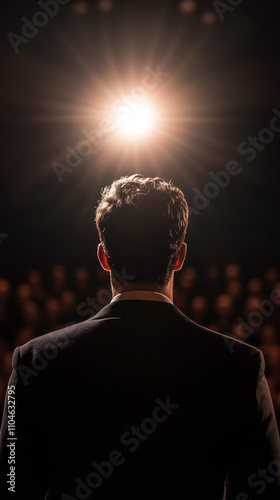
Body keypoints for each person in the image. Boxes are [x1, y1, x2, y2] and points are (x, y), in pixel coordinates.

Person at [0, 174, 280, 500]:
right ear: (179, 257)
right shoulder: (239, 367)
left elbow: (12, 488)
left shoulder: (35, 361)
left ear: (104, 258)